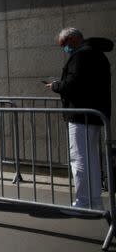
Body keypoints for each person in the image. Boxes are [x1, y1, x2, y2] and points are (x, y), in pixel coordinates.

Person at [48, 28, 112, 210]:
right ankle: (95, 201)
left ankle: (83, 202)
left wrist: (56, 86)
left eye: (64, 44)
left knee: (79, 159)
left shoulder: (80, 56)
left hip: (79, 114)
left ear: (73, 40)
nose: (64, 49)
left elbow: (72, 84)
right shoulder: (98, 54)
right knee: (91, 158)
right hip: (94, 114)